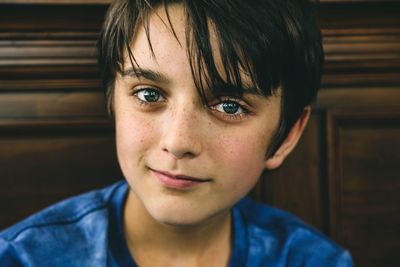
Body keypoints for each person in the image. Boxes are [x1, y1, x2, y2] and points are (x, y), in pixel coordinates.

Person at [0, 0, 353, 266]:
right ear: (114, 102)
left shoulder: (314, 261)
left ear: (287, 135)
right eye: (149, 95)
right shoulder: (21, 258)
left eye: (229, 106)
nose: (178, 142)